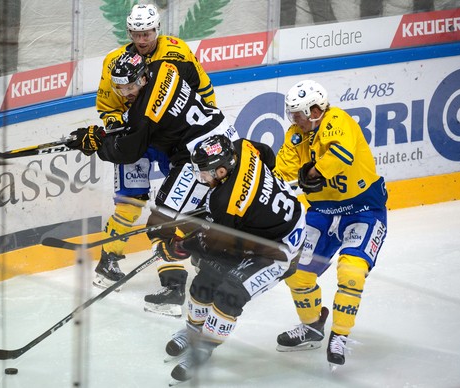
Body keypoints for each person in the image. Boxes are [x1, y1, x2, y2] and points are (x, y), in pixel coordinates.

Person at [68, 51, 237, 318]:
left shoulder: (143, 112)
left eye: (131, 86)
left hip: (198, 158)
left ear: (143, 77)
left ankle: (173, 290)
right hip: (223, 137)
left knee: (161, 222)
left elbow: (128, 150)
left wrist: (97, 145)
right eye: (120, 87)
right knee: (202, 213)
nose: (126, 93)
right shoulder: (165, 66)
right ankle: (210, 268)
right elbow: (191, 77)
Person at [91, 4, 216, 314]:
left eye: (146, 33)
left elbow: (203, 87)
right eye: (135, 34)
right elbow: (107, 105)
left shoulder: (177, 50)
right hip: (135, 138)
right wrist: (116, 125)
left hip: (169, 139)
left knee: (184, 202)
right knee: (131, 203)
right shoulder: (115, 62)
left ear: (157, 29)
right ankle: (109, 261)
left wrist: (204, 126)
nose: (141, 39)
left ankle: (196, 249)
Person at [162, 135, 306, 384]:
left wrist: (180, 245)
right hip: (257, 232)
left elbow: (213, 243)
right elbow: (267, 156)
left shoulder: (225, 201)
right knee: (205, 279)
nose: (202, 178)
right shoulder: (242, 148)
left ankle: (204, 347)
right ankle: (194, 331)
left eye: (205, 173)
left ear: (221, 169)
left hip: (280, 250)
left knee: (231, 292)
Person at [273, 79, 388, 368]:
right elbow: (281, 172)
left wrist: (312, 171)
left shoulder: (337, 119)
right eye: (291, 115)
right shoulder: (295, 136)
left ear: (315, 109)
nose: (295, 121)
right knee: (296, 272)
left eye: (298, 114)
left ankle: (339, 334)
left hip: (363, 211)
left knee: (351, 272)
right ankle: (312, 327)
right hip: (322, 212)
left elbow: (340, 155)